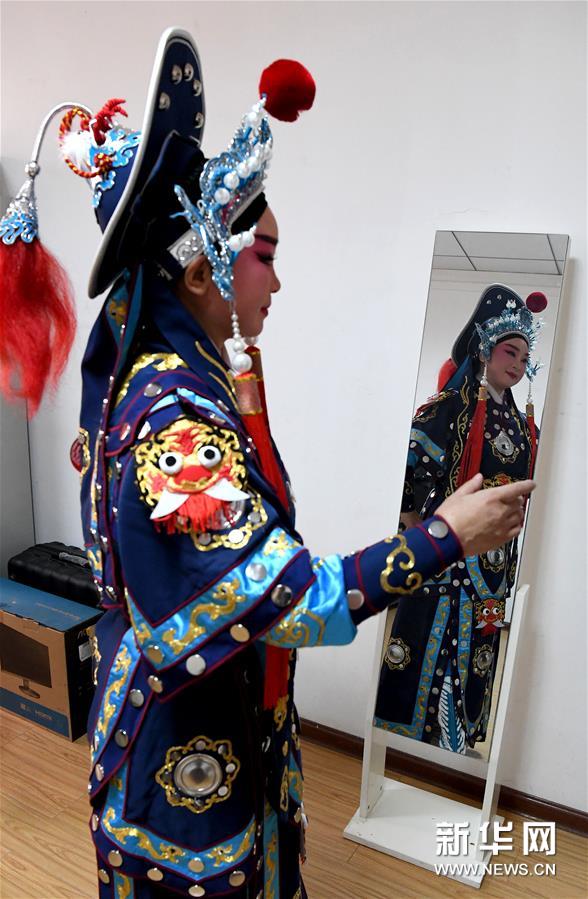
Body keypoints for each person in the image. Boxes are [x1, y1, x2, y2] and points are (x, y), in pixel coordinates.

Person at [0, 29, 534, 899]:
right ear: (200, 271)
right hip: (181, 739)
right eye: (267, 258)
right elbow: (286, 597)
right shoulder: (175, 417)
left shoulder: (192, 375)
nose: (277, 284)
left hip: (216, 706)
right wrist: (443, 536)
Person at [374, 284, 545, 753]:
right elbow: (409, 467)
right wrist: (415, 527)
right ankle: (410, 740)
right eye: (509, 351)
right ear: (484, 349)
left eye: (524, 357)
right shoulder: (449, 407)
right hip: (447, 551)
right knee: (428, 638)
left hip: (496, 562)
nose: (517, 364)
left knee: (480, 649)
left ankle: (458, 739)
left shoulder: (522, 424)